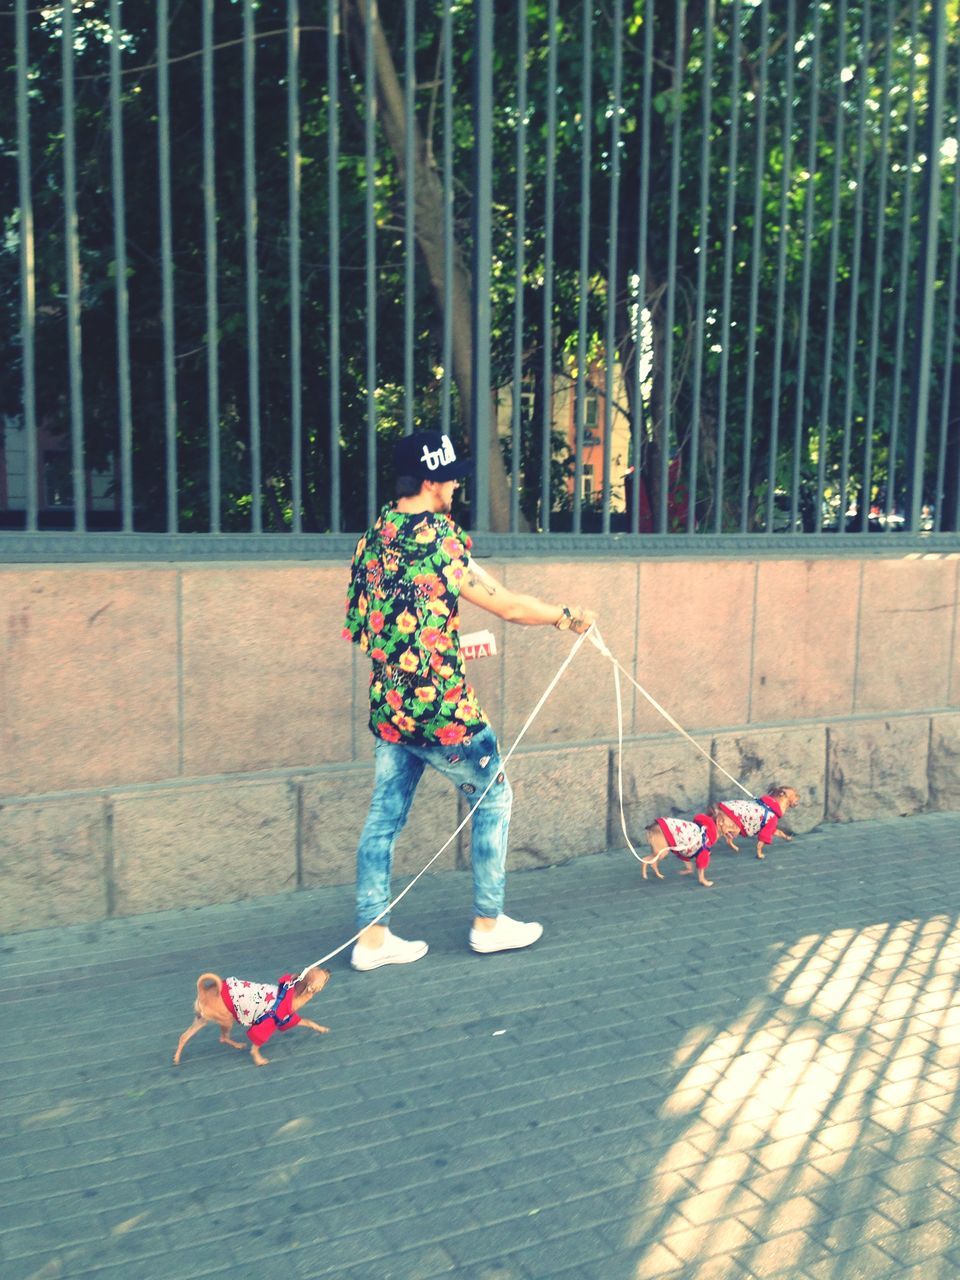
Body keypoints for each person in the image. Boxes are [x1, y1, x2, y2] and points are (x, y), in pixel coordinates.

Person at [342, 429, 596, 971]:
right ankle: (488, 923)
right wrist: (565, 615)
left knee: (383, 819)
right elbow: (506, 606)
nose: (458, 483)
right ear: (432, 481)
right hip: (443, 712)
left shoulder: (373, 539)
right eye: (453, 475)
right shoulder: (440, 538)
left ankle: (371, 940)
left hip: (391, 707)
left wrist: (444, 644)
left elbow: (370, 633)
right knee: (495, 800)